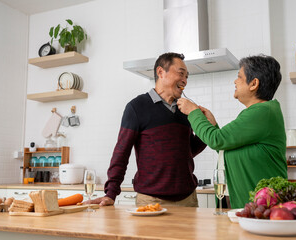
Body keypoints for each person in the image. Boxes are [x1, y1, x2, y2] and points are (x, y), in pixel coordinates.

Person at [86, 52, 206, 207]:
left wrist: (206, 127)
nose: (185, 81)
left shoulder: (186, 110)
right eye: (181, 74)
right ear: (161, 72)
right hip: (151, 201)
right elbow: (121, 153)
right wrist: (111, 193)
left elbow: (187, 150)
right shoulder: (136, 107)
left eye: (187, 77)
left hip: (188, 199)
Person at [177, 55, 288, 209]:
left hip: (262, 207)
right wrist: (213, 125)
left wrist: (193, 112)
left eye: (239, 77)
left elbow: (217, 140)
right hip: (248, 205)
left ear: (254, 83)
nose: (235, 82)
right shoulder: (260, 112)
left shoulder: (263, 112)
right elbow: (224, 145)